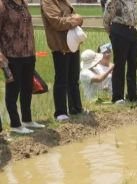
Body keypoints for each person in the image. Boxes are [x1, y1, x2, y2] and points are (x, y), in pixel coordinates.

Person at [0, 0, 46, 135]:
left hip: (29, 53)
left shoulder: (23, 4)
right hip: (11, 54)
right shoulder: (3, 5)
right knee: (13, 90)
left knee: (27, 88)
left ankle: (27, 120)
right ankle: (15, 124)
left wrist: (33, 50)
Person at [42, 0, 84, 121]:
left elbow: (77, 17)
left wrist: (76, 19)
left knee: (74, 78)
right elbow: (57, 22)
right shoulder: (48, 2)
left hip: (73, 43)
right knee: (62, 79)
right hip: (60, 45)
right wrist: (75, 20)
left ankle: (76, 108)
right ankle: (60, 112)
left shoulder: (64, 2)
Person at [104, 0, 137, 105]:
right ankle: (117, 97)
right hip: (119, 30)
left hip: (132, 30)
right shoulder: (114, 1)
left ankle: (132, 95)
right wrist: (112, 34)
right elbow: (106, 20)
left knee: (133, 64)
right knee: (120, 64)